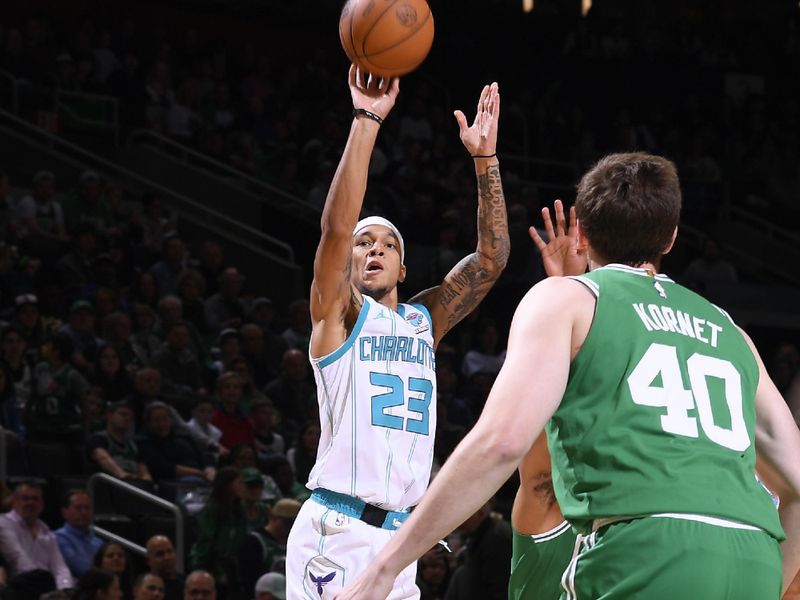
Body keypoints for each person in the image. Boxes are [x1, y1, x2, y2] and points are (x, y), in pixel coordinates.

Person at [334, 152, 800, 600]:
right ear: (671, 237)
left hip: (645, 549)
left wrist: (384, 567)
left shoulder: (565, 298)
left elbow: (501, 443)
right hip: (752, 556)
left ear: (583, 230)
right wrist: (767, 583)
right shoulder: (729, 327)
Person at [285, 66, 509, 599]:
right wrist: (366, 118)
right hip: (335, 532)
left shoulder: (422, 320)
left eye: (388, 243)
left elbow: (492, 258)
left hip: (399, 542)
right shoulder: (336, 315)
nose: (375, 248)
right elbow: (335, 229)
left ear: (404, 269)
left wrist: (485, 159)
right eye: (365, 243)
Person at [0, 480, 73, 591]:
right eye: (25, 498)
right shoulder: (4, 524)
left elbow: (59, 567)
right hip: (20, 589)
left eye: (35, 499)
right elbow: (18, 558)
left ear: (42, 504)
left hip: (47, 590)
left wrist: (65, 589)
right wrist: (44, 586)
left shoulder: (47, 532)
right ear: (14, 502)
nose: (31, 503)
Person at [238, 497, 300, 594]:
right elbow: (248, 580)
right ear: (273, 517)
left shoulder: (296, 544)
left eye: (294, 524)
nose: (289, 528)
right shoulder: (255, 542)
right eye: (286, 523)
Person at [54, 489, 105, 579]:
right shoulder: (57, 538)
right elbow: (82, 569)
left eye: (87, 508)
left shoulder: (99, 543)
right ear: (64, 512)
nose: (84, 512)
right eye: (78, 508)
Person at [145, 535, 184, 600]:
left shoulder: (186, 585)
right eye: (160, 554)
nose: (167, 557)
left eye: (170, 551)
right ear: (148, 561)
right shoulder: (145, 588)